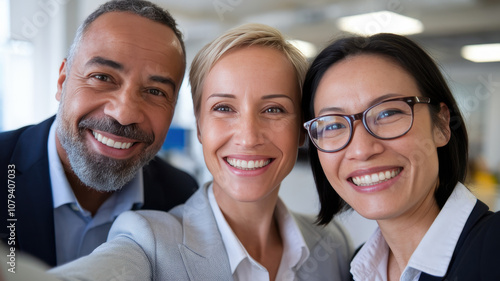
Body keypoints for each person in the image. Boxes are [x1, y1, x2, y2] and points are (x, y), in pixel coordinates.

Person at [49, 23, 353, 281]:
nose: (248, 137)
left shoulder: (332, 245)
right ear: (199, 126)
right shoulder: (148, 242)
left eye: (274, 109)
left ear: (301, 128)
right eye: (223, 108)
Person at [0, 0, 198, 267]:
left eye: (155, 91)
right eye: (102, 77)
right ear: (62, 82)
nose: (124, 113)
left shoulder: (182, 200)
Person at [301, 33, 500, 281]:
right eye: (332, 125)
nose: (362, 149)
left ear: (441, 124)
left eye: (387, 113)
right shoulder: (357, 269)